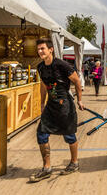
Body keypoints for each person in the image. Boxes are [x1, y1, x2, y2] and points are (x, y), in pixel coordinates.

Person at [29, 38, 85, 183]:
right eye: (39, 49)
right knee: (41, 133)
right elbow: (43, 86)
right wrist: (42, 103)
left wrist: (79, 100)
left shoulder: (61, 65)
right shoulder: (40, 67)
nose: (40, 51)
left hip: (65, 104)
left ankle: (74, 163)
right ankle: (47, 168)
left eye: (43, 49)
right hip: (51, 105)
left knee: (69, 135)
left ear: (51, 49)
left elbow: (77, 81)